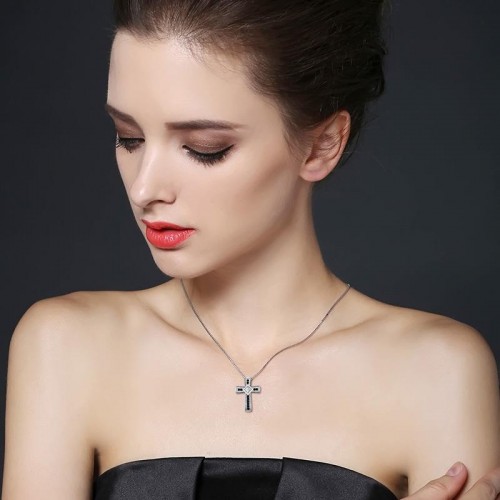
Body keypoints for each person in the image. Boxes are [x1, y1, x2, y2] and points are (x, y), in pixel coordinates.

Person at [2, 0, 499, 499]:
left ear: (322, 144)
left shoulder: (435, 371)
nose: (144, 188)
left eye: (204, 148)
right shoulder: (66, 346)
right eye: (129, 138)